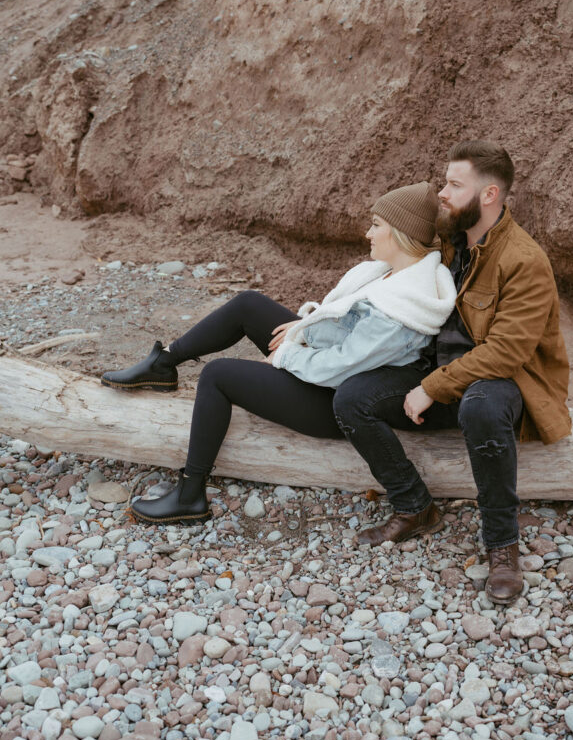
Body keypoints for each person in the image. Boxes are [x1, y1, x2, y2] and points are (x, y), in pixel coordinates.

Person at [99, 182, 456, 526]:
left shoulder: (402, 311)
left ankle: (190, 495)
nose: (367, 233)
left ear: (398, 232)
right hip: (330, 375)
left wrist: (287, 354)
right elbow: (343, 330)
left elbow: (341, 367)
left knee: (217, 376)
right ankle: (163, 364)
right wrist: (304, 328)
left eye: (376, 225)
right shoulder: (390, 274)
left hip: (333, 402)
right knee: (249, 305)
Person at [332, 141, 571, 604]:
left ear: (490, 195)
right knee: (351, 398)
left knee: (482, 405)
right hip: (439, 372)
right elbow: (390, 251)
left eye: (455, 185)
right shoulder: (449, 242)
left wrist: (430, 388)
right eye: (444, 182)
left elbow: (506, 352)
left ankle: (502, 546)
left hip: (503, 384)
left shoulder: (524, 260)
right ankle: (415, 507)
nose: (443, 193)